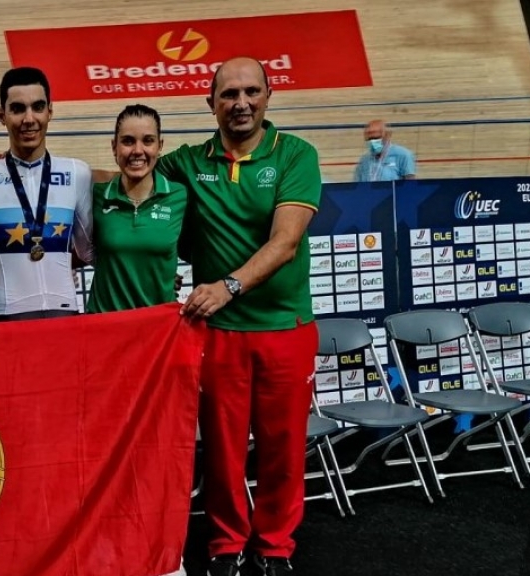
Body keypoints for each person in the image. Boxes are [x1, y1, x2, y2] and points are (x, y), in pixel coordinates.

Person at [163, 57, 321, 576]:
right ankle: (226, 544)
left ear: (269, 95)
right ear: (211, 104)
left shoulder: (297, 154)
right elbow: (131, 173)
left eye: (252, 91)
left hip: (285, 329)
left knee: (283, 447)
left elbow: (286, 240)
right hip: (219, 335)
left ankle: (275, 545)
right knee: (224, 451)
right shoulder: (187, 161)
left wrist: (228, 286)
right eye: (229, 94)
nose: (241, 103)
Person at [0, 66, 93, 321]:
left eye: (38, 107)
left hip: (66, 315)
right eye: (17, 109)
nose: (29, 119)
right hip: (8, 317)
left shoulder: (77, 173)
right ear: (1, 115)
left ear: (50, 111)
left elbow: (90, 252)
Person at [87, 104, 187, 313]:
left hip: (158, 329)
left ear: (160, 146)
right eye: (128, 141)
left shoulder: (180, 196)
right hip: (104, 327)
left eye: (148, 141)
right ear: (114, 146)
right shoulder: (95, 195)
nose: (138, 150)